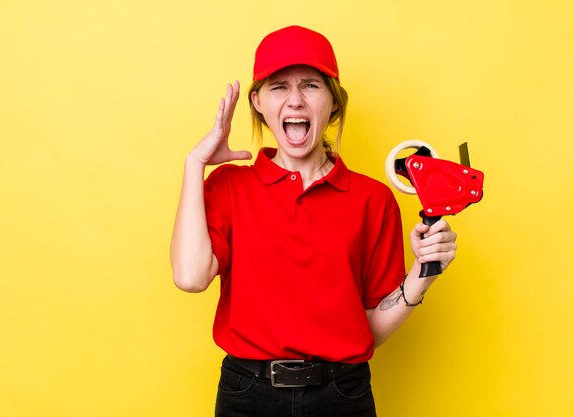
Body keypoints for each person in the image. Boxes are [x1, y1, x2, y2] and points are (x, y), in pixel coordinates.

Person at [170, 25, 457, 417]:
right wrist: (194, 164)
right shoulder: (229, 187)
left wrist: (424, 273)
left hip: (342, 395)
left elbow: (370, 328)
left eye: (310, 86)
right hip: (248, 395)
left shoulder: (373, 200)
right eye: (278, 87)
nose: (295, 101)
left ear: (333, 102)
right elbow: (190, 277)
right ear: (257, 102)